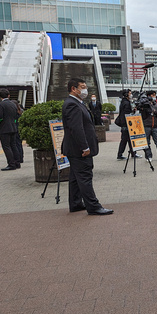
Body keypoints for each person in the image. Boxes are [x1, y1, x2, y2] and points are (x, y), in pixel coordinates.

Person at [62, 78, 113, 215]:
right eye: (82, 87)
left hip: (75, 149)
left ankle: (76, 203)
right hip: (79, 149)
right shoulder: (72, 104)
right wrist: (84, 147)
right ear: (74, 88)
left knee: (75, 177)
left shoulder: (78, 103)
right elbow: (76, 128)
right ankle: (94, 206)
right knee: (85, 177)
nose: (85, 90)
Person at [0, 89, 21, 171]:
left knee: (6, 146)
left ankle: (11, 164)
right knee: (14, 145)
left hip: (5, 128)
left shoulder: (1, 105)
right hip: (13, 127)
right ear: (8, 95)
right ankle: (17, 163)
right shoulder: (13, 104)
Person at [116, 89, 142, 160]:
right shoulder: (126, 103)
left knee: (128, 140)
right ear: (126, 94)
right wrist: (133, 111)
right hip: (127, 124)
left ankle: (132, 153)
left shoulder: (124, 102)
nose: (131, 95)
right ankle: (121, 154)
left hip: (125, 124)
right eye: (130, 93)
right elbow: (128, 114)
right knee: (125, 140)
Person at [141, 90, 157, 162]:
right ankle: (148, 156)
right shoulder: (144, 105)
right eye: (153, 95)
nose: (154, 97)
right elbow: (142, 115)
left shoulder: (156, 105)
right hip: (146, 125)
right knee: (146, 142)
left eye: (154, 95)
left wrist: (154, 111)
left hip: (155, 125)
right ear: (149, 96)